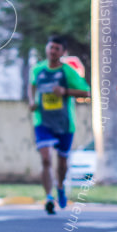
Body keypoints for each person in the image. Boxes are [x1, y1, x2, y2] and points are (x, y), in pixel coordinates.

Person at [28, 35, 90, 215]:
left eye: (57, 48)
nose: (53, 51)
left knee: (62, 162)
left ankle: (61, 187)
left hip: (64, 123)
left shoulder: (67, 71)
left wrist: (66, 91)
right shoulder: (37, 69)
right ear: (46, 48)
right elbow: (31, 86)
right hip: (42, 121)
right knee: (46, 159)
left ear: (63, 52)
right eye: (51, 47)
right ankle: (48, 197)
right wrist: (32, 101)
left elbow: (86, 92)